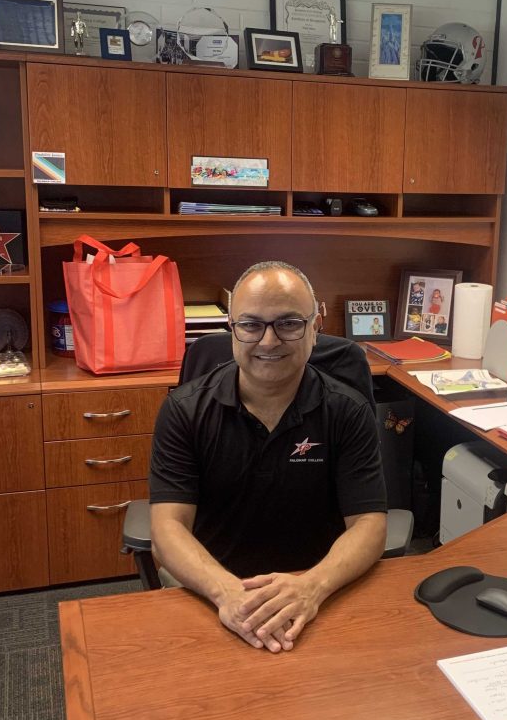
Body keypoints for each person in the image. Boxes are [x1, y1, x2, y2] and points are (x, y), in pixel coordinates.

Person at [149, 261, 388, 653]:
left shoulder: (348, 410)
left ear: (315, 327)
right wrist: (227, 593)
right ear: (231, 329)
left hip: (318, 594)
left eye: (289, 323)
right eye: (251, 324)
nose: (268, 341)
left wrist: (311, 587)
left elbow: (369, 523)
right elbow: (167, 526)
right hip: (213, 593)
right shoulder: (184, 410)